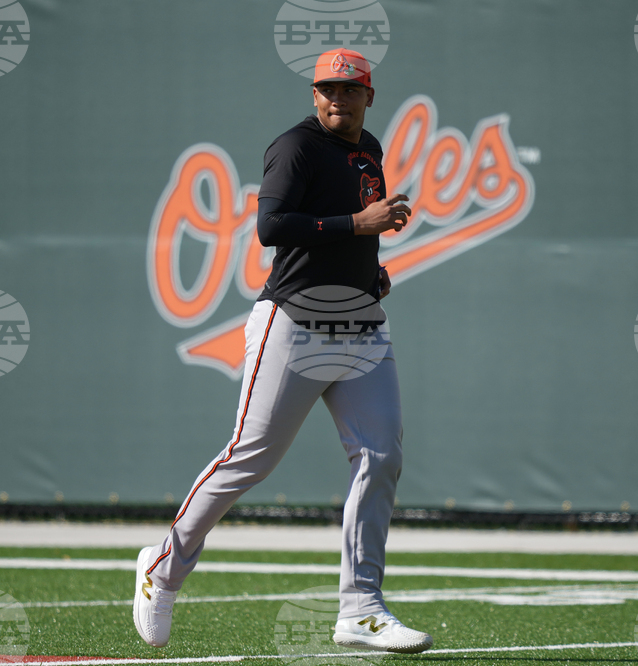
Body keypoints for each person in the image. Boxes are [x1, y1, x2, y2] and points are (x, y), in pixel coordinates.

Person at [132, 48, 433, 655]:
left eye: (349, 90)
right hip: (293, 324)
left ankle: (360, 609)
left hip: (362, 327)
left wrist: (367, 274)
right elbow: (273, 226)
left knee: (381, 456)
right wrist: (357, 226)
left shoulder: (366, 147)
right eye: (326, 89)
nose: (336, 99)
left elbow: (349, 231)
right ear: (313, 93)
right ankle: (162, 568)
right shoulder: (295, 147)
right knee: (249, 458)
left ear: (369, 96)